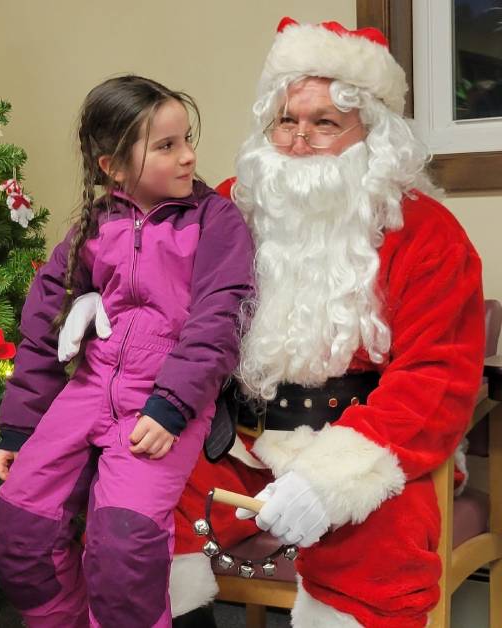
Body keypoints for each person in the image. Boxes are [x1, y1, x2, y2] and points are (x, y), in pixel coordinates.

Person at [165, 20, 485, 628]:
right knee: (135, 498)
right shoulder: (235, 206)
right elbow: (161, 291)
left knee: (378, 550)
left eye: (325, 123)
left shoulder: (429, 236)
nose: (299, 139)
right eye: (288, 120)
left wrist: (331, 479)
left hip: (369, 443)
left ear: (374, 136)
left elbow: (436, 377)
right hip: (241, 443)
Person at [0, 75, 255, 628]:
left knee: (122, 553)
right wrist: (19, 427)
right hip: (89, 387)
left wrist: (171, 406)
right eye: (166, 146)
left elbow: (219, 318)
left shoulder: (215, 221)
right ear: (112, 166)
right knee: (19, 531)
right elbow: (45, 323)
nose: (188, 157)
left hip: (160, 401)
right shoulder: (95, 223)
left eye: (187, 139)